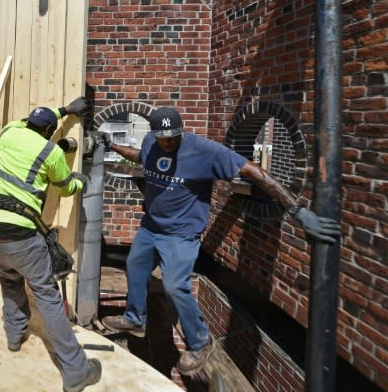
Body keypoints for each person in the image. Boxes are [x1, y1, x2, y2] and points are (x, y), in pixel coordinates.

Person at [98, 106, 340, 376]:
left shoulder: (204, 151)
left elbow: (254, 171)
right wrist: (114, 146)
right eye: (162, 138)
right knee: (135, 267)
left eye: (173, 137)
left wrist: (298, 211)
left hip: (181, 232)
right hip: (151, 227)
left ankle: (200, 341)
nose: (167, 142)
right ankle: (135, 319)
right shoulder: (150, 142)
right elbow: (144, 159)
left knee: (175, 285)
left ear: (182, 130)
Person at [0, 97, 102, 392]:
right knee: (47, 297)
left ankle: (14, 336)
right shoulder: (50, 153)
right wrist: (82, 180)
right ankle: (75, 371)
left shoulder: (8, 132)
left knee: (10, 280)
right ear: (48, 132)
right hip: (20, 235)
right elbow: (66, 186)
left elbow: (28, 138)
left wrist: (65, 111)